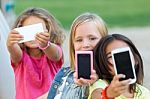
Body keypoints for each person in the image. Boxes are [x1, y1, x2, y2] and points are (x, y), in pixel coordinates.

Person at [6, 7, 65, 99]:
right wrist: (11, 44)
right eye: (28, 30)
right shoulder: (20, 57)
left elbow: (56, 55)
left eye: (38, 30)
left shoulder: (52, 51)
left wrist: (45, 44)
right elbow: (15, 53)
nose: (34, 36)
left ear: (48, 30)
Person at [47, 12, 108, 99]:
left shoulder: (110, 78)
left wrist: (92, 85)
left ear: (105, 42)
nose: (85, 44)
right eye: (79, 40)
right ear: (73, 45)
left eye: (92, 38)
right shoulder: (64, 74)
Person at [89, 34, 150, 99]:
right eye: (110, 56)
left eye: (124, 54)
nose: (120, 60)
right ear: (102, 64)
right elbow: (97, 95)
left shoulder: (144, 93)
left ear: (136, 59)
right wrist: (107, 94)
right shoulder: (101, 84)